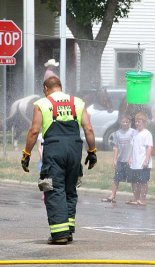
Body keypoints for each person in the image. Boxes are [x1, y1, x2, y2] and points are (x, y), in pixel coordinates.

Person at [21, 76, 96, 245]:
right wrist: (92, 151)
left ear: (46, 88)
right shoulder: (78, 102)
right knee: (70, 188)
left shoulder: (42, 103)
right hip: (74, 150)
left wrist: (26, 153)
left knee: (53, 189)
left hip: (54, 151)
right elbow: (88, 128)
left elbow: (34, 131)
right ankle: (68, 230)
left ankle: (59, 234)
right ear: (60, 87)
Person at [101, 115, 137, 203]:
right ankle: (112, 196)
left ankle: (136, 198)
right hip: (120, 160)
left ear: (130, 122)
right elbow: (116, 147)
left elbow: (135, 146)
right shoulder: (117, 133)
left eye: (127, 122)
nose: (125, 124)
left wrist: (131, 157)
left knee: (132, 180)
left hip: (130, 160)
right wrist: (115, 159)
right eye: (123, 122)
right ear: (120, 122)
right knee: (116, 178)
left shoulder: (133, 132)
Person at [127, 112, 153, 206]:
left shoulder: (147, 133)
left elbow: (149, 147)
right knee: (134, 181)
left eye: (139, 121)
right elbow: (132, 147)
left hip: (143, 162)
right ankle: (136, 198)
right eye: (136, 121)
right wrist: (130, 158)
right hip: (134, 162)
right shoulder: (134, 133)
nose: (137, 123)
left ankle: (142, 199)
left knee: (143, 182)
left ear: (144, 122)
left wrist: (146, 159)